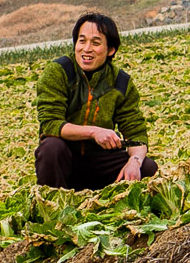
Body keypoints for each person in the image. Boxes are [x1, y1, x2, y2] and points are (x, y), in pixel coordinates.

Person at [34, 11, 158, 191]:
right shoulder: (59, 71)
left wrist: (135, 161)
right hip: (65, 161)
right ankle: (53, 205)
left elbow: (136, 134)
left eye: (96, 43)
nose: (86, 49)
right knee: (51, 147)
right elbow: (51, 124)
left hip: (100, 162)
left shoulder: (121, 83)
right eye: (82, 41)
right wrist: (94, 132)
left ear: (111, 50)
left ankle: (112, 200)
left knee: (147, 168)